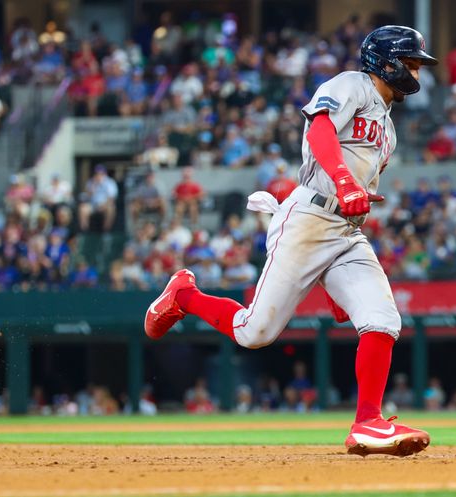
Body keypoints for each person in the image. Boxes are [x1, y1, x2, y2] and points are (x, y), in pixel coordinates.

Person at [145, 26, 436, 457]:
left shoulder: (388, 129)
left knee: (382, 320)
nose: (416, 70)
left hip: (345, 232)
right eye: (411, 61)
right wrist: (343, 181)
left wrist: (351, 202)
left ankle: (367, 423)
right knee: (253, 332)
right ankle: (185, 296)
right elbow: (319, 131)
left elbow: (353, 181)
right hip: (308, 220)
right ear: (387, 61)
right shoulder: (351, 83)